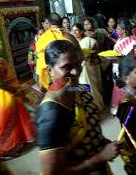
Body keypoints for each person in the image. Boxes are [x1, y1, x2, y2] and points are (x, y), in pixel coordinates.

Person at [36, 40, 120, 175]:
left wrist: (101, 142)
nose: (76, 72)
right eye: (66, 67)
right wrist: (101, 157)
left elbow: (88, 128)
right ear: (50, 70)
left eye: (78, 65)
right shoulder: (51, 115)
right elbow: (52, 172)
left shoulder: (77, 89)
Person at [0, 30, 36, 158]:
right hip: (1, 96)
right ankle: (7, 149)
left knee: (2, 122)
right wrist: (14, 90)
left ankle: (9, 146)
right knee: (7, 122)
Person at [36, 13, 79, 92]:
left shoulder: (42, 40)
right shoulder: (70, 36)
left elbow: (41, 67)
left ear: (49, 23)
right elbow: (81, 57)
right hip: (73, 81)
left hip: (53, 84)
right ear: (61, 23)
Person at [71, 23, 104, 111]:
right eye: (73, 30)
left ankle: (97, 106)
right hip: (77, 68)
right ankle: (87, 108)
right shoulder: (71, 42)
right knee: (82, 88)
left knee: (92, 87)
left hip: (88, 67)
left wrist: (89, 54)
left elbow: (96, 51)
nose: (74, 32)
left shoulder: (88, 40)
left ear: (81, 31)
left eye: (76, 30)